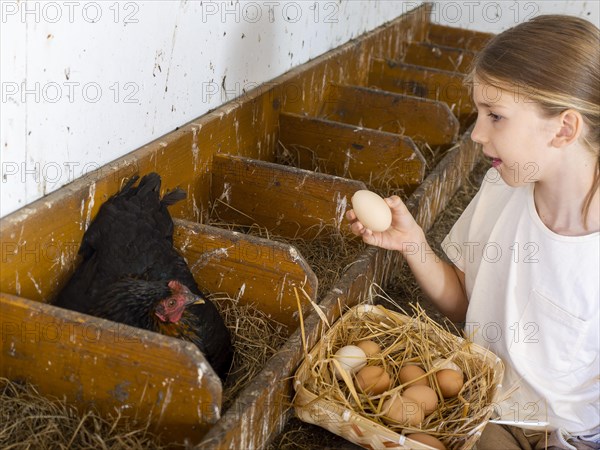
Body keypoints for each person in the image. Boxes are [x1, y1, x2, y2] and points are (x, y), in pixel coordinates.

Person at [346, 15, 599, 450]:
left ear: (564, 128)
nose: (477, 133)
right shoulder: (502, 188)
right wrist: (413, 245)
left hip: (560, 435)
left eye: (496, 116)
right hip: (478, 401)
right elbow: (467, 303)